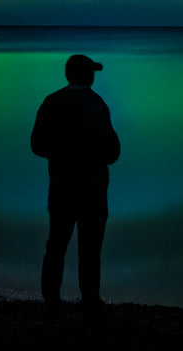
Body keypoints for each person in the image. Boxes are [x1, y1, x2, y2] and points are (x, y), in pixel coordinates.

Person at [31, 53, 120, 310]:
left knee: (56, 244)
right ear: (88, 76)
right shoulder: (97, 105)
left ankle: (50, 298)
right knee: (90, 249)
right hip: (93, 188)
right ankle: (90, 298)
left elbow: (37, 145)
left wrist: (60, 153)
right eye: (92, 71)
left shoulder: (51, 102)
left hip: (61, 186)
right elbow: (113, 152)